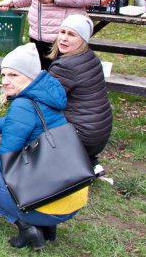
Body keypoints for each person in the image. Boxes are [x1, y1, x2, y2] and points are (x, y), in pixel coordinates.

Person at [0, 43, 88, 251]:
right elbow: (15, 123)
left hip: (51, 203)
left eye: (13, 75)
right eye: (3, 75)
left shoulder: (22, 106)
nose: (5, 82)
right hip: (75, 195)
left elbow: (6, 158)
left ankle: (27, 226)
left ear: (30, 76)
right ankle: (47, 226)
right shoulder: (45, 97)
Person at [48, 15, 113, 177]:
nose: (63, 38)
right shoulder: (90, 57)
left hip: (82, 136)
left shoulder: (65, 66)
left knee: (35, 115)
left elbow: (46, 99)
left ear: (83, 39)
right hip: (99, 135)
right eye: (62, 32)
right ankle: (90, 161)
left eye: (72, 34)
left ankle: (51, 165)